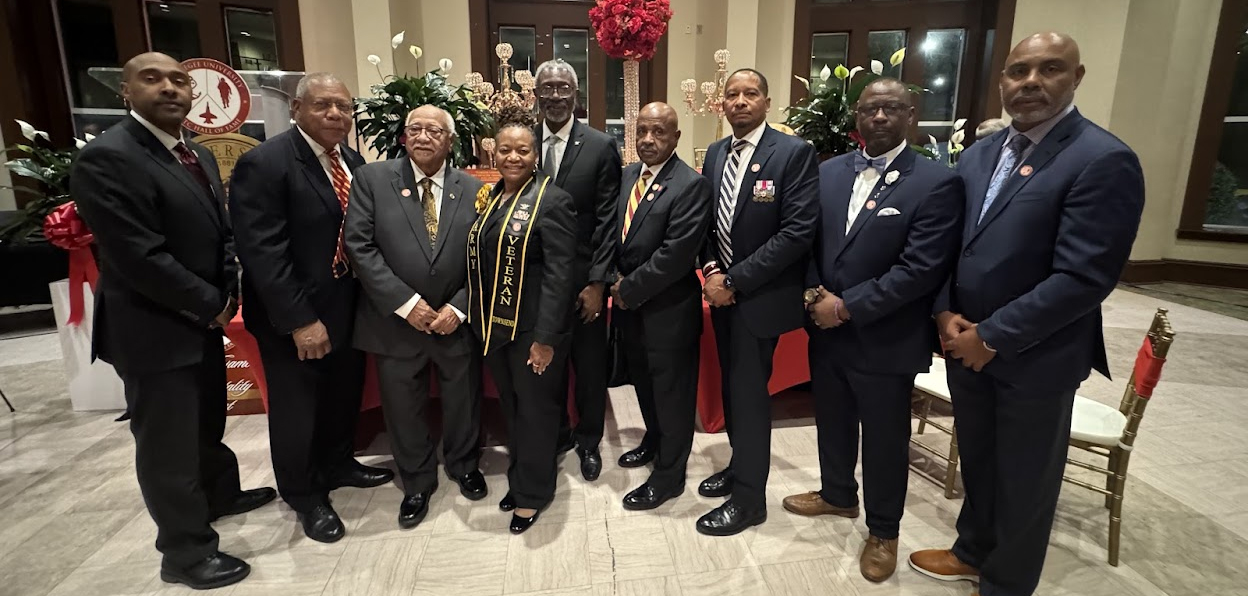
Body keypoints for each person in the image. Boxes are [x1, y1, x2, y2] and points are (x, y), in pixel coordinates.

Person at [909, 33, 1145, 596]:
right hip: (965, 344)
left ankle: (1007, 583)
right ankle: (972, 551)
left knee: (1025, 478)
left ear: (1076, 77)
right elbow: (951, 246)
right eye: (1019, 71)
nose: (1031, 81)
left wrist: (991, 335)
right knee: (981, 460)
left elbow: (1085, 277)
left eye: (1050, 69)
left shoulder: (1102, 158)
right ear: (1002, 81)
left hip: (1037, 353)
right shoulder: (979, 155)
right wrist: (944, 314)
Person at [70, 52, 275, 590]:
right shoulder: (108, 157)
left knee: (205, 423)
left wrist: (227, 293)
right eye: (152, 79)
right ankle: (185, 553)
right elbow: (137, 256)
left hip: (200, 320)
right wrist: (211, 302)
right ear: (126, 91)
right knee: (168, 446)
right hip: (153, 329)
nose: (169, 88)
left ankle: (219, 495)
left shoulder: (195, 152)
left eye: (179, 80)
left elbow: (221, 232)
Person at [782, 78, 964, 582]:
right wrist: (814, 296)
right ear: (856, 117)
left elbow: (920, 269)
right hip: (826, 330)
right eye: (870, 109)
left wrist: (846, 307)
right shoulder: (828, 172)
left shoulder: (936, 181)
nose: (879, 117)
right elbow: (806, 243)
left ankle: (884, 531)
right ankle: (837, 494)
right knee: (832, 419)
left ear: (911, 115)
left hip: (886, 336)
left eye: (891, 108)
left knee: (884, 439)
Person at [228, 72, 393, 544]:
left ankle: (338, 464)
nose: (336, 114)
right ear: (296, 109)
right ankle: (304, 495)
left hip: (345, 307)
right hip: (296, 317)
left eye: (344, 107)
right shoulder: (265, 163)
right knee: (297, 410)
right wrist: (301, 320)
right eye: (323, 105)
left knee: (341, 396)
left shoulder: (351, 162)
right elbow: (264, 252)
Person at [344, 105, 487, 529]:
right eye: (415, 129)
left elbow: (486, 253)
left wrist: (460, 306)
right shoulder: (372, 179)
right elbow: (359, 245)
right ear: (404, 136)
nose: (424, 137)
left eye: (434, 130)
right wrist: (407, 304)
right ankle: (417, 481)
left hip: (454, 320)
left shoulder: (474, 187)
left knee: (463, 400)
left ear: (451, 140)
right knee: (403, 408)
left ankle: (464, 465)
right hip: (395, 322)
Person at [696, 68, 819, 536]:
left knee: (749, 398)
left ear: (767, 102)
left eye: (751, 93)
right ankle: (739, 464)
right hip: (723, 296)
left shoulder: (793, 153)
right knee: (733, 391)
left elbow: (796, 232)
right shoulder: (715, 153)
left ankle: (750, 501)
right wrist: (712, 271)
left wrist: (735, 281)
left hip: (760, 299)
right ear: (722, 104)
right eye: (732, 94)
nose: (741, 101)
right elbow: (707, 224)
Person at [468, 107, 578, 534]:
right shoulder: (492, 197)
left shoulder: (553, 200)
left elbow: (560, 275)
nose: (513, 157)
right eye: (506, 150)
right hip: (497, 328)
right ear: (493, 153)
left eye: (523, 150)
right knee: (513, 408)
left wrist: (546, 338)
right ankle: (521, 477)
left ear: (536, 155)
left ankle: (533, 493)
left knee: (535, 412)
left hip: (534, 331)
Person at [609, 102, 712, 511]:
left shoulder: (690, 184)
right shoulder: (628, 176)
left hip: (668, 312)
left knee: (672, 397)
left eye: (659, 132)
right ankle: (654, 441)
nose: (648, 140)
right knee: (645, 387)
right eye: (642, 131)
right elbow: (615, 234)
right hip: (632, 311)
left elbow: (676, 255)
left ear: (676, 137)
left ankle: (670, 476)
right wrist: (611, 278)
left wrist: (627, 288)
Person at [532, 59, 623, 481]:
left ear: (576, 94)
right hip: (535, 281)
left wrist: (598, 282)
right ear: (536, 95)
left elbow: (607, 220)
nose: (555, 96)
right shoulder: (522, 142)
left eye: (563, 88)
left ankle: (588, 441)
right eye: (547, 88)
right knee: (543, 365)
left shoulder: (601, 146)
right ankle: (553, 437)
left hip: (583, 281)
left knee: (588, 369)